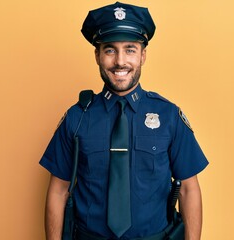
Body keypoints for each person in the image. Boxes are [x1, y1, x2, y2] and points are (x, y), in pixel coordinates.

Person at [39, 2, 209, 240]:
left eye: (130, 49)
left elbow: (189, 190)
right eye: (110, 50)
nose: (120, 61)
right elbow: (58, 191)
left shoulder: (169, 116)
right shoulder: (77, 117)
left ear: (143, 55)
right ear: (97, 55)